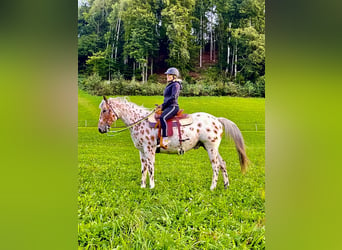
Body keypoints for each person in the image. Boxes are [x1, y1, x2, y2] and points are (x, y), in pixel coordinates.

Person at [158, 67, 182, 148]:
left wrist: (163, 106)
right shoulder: (171, 84)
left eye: (169, 75)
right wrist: (161, 106)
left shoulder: (176, 85)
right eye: (167, 75)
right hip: (168, 106)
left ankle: (165, 139)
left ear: (174, 76)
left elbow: (173, 97)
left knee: (162, 118)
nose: (167, 76)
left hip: (173, 106)